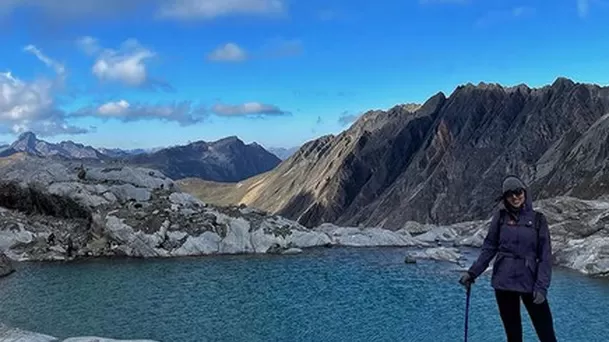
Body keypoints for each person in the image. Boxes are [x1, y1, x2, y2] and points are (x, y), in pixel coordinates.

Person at [458, 175, 557, 342]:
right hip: (504, 283)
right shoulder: (501, 217)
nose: (515, 197)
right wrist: (472, 273)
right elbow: (489, 248)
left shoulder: (538, 219)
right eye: (510, 194)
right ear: (505, 197)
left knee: (547, 335)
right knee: (513, 336)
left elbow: (545, 257)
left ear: (524, 192)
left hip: (530, 283)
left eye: (518, 192)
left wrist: (542, 287)